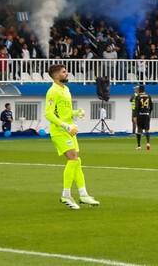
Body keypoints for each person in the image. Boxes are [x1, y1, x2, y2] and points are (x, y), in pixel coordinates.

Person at [44, 63, 98, 209]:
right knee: (73, 159)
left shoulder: (66, 89)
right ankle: (66, 195)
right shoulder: (52, 91)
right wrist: (65, 125)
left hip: (70, 130)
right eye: (64, 72)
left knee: (77, 161)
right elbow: (48, 113)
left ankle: (83, 194)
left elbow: (64, 111)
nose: (67, 73)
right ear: (56, 75)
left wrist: (76, 113)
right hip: (60, 130)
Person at [134, 84, 153, 150]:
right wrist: (148, 113)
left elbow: (137, 107)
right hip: (147, 114)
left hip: (140, 114)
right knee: (147, 130)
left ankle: (139, 146)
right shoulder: (148, 96)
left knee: (139, 129)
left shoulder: (138, 96)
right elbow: (151, 106)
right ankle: (148, 143)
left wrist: (135, 116)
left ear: (139, 90)